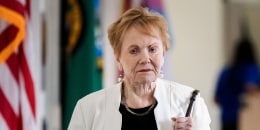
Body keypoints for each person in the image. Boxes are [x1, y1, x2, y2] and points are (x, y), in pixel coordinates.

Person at [68, 7, 211, 130]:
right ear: (118, 58)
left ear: (163, 53)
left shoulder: (190, 102)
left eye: (153, 49)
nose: (145, 59)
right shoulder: (88, 108)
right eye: (134, 51)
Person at [214, 35, 260, 130]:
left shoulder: (225, 71)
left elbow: (216, 99)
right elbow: (250, 88)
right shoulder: (251, 69)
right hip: (245, 118)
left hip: (226, 118)